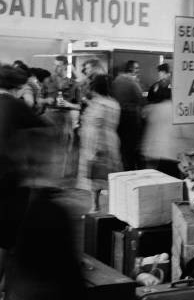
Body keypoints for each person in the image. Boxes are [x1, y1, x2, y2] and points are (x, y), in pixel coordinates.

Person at [0, 64, 48, 300]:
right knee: (5, 236)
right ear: (17, 86)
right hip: (6, 177)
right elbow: (45, 130)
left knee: (1, 233)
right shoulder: (14, 104)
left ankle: (1, 284)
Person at [77, 75, 122, 212]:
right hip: (111, 141)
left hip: (98, 143)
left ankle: (96, 206)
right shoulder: (113, 103)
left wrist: (98, 147)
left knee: (97, 175)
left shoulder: (100, 104)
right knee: (107, 176)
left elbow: (98, 125)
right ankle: (110, 207)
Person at [141, 87, 194, 178]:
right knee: (172, 183)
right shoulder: (182, 109)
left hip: (155, 153)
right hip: (172, 155)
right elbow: (189, 134)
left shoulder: (158, 107)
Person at [41, 55, 81, 178]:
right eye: (55, 65)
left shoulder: (73, 84)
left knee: (63, 148)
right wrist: (45, 100)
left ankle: (60, 176)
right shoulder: (47, 81)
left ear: (65, 66)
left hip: (64, 118)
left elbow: (79, 106)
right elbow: (38, 99)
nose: (55, 67)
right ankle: (47, 175)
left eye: (58, 65)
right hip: (49, 116)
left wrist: (68, 104)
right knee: (47, 147)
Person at [112, 60, 144, 170]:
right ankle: (135, 170)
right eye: (136, 68)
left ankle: (125, 169)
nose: (138, 71)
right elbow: (139, 98)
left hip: (119, 117)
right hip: (132, 119)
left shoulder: (115, 81)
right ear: (131, 69)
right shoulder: (132, 81)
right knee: (133, 148)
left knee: (123, 148)